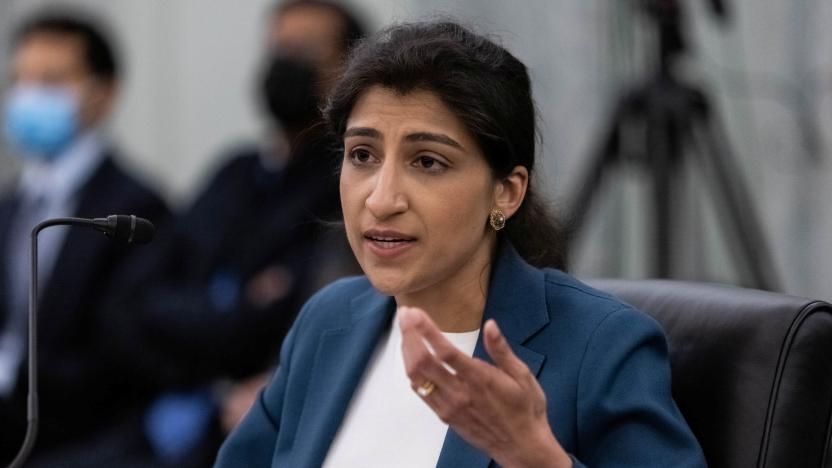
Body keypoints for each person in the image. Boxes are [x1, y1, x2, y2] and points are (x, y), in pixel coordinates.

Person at [215, 21, 707, 468]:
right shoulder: (327, 321)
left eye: (428, 162)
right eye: (362, 155)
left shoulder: (601, 346)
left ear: (507, 192)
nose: (381, 200)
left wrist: (537, 460)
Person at [100, 1, 366, 465]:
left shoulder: (348, 183)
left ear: (349, 68)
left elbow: (293, 317)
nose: (286, 63)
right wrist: (238, 307)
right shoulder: (234, 173)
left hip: (251, 423)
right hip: (157, 412)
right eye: (279, 49)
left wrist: (209, 320)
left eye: (303, 50)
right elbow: (134, 301)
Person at [0, 9, 169, 466]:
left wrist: (12, 374)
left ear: (104, 92)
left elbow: (119, 354)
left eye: (51, 81)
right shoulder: (11, 203)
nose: (30, 95)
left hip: (84, 442)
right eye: (22, 80)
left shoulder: (138, 207)